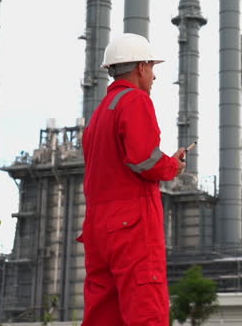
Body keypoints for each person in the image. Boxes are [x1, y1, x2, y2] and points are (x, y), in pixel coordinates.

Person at [79, 33, 187, 326]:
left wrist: (164, 161)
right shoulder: (135, 100)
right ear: (141, 67)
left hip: (98, 228)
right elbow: (143, 160)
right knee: (145, 309)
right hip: (130, 225)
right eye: (152, 68)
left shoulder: (99, 114)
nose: (154, 77)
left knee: (102, 313)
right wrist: (172, 167)